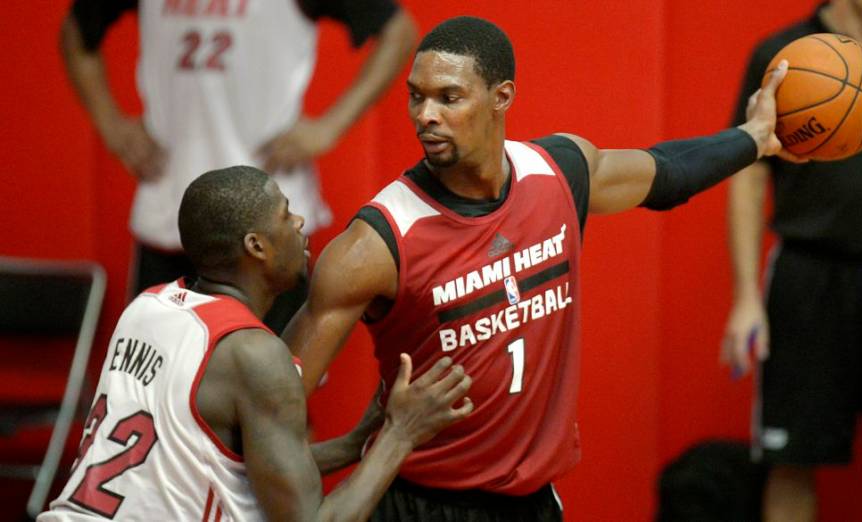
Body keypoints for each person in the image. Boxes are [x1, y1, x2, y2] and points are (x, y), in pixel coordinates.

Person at [281, 16, 796, 521]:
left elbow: (666, 174)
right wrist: (340, 452)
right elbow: (270, 400)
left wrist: (754, 137)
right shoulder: (376, 243)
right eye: (416, 95)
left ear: (501, 97)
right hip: (418, 502)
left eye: (448, 97)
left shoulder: (558, 173)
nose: (425, 115)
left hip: (533, 503)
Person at [37, 166, 474, 521]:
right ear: (256, 246)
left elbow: (222, 467)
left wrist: (356, 443)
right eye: (286, 214)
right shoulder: (254, 355)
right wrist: (401, 435)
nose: (300, 222)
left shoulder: (147, 308)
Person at [59, 0, 417, 333]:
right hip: (169, 207)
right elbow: (75, 32)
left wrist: (332, 125)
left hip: (268, 219)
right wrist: (110, 124)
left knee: (275, 382)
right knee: (157, 387)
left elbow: (398, 32)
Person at [720, 1, 862, 520]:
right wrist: (746, 298)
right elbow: (748, 172)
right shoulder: (782, 56)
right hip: (810, 277)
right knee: (791, 457)